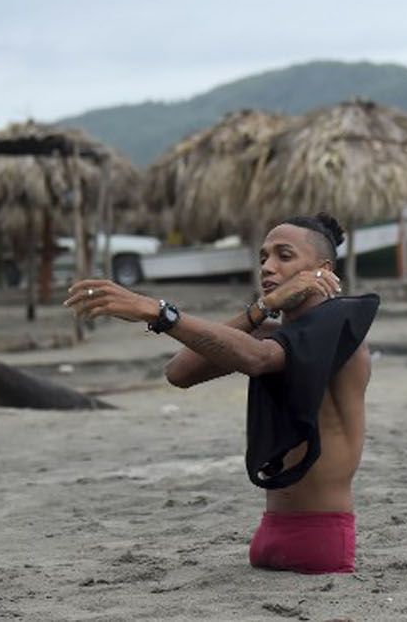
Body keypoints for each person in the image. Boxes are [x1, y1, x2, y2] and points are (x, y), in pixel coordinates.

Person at [64, 213, 376, 575]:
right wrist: (260, 310)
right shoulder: (275, 334)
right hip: (268, 533)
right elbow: (179, 372)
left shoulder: (339, 326)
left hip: (320, 536)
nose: (268, 266)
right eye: (263, 258)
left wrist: (158, 312)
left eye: (284, 256)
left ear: (322, 270)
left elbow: (258, 359)